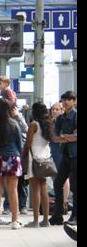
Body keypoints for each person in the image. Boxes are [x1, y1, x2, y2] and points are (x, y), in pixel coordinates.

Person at [0, 98, 24, 229]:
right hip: (12, 157)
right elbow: (19, 143)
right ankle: (14, 221)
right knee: (12, 190)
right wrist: (17, 154)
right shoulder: (13, 123)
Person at [23, 102, 56, 228]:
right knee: (43, 188)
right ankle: (46, 220)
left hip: (34, 157)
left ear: (34, 112)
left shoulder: (33, 125)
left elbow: (28, 143)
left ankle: (36, 220)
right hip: (45, 157)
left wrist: (24, 155)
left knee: (35, 188)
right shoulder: (48, 124)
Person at [50, 91, 77, 226]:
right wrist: (69, 137)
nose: (66, 102)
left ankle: (74, 215)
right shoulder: (60, 118)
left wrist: (64, 137)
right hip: (65, 155)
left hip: (75, 155)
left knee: (75, 185)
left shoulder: (76, 116)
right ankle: (58, 213)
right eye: (64, 100)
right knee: (57, 182)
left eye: (69, 99)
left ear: (74, 101)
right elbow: (55, 137)